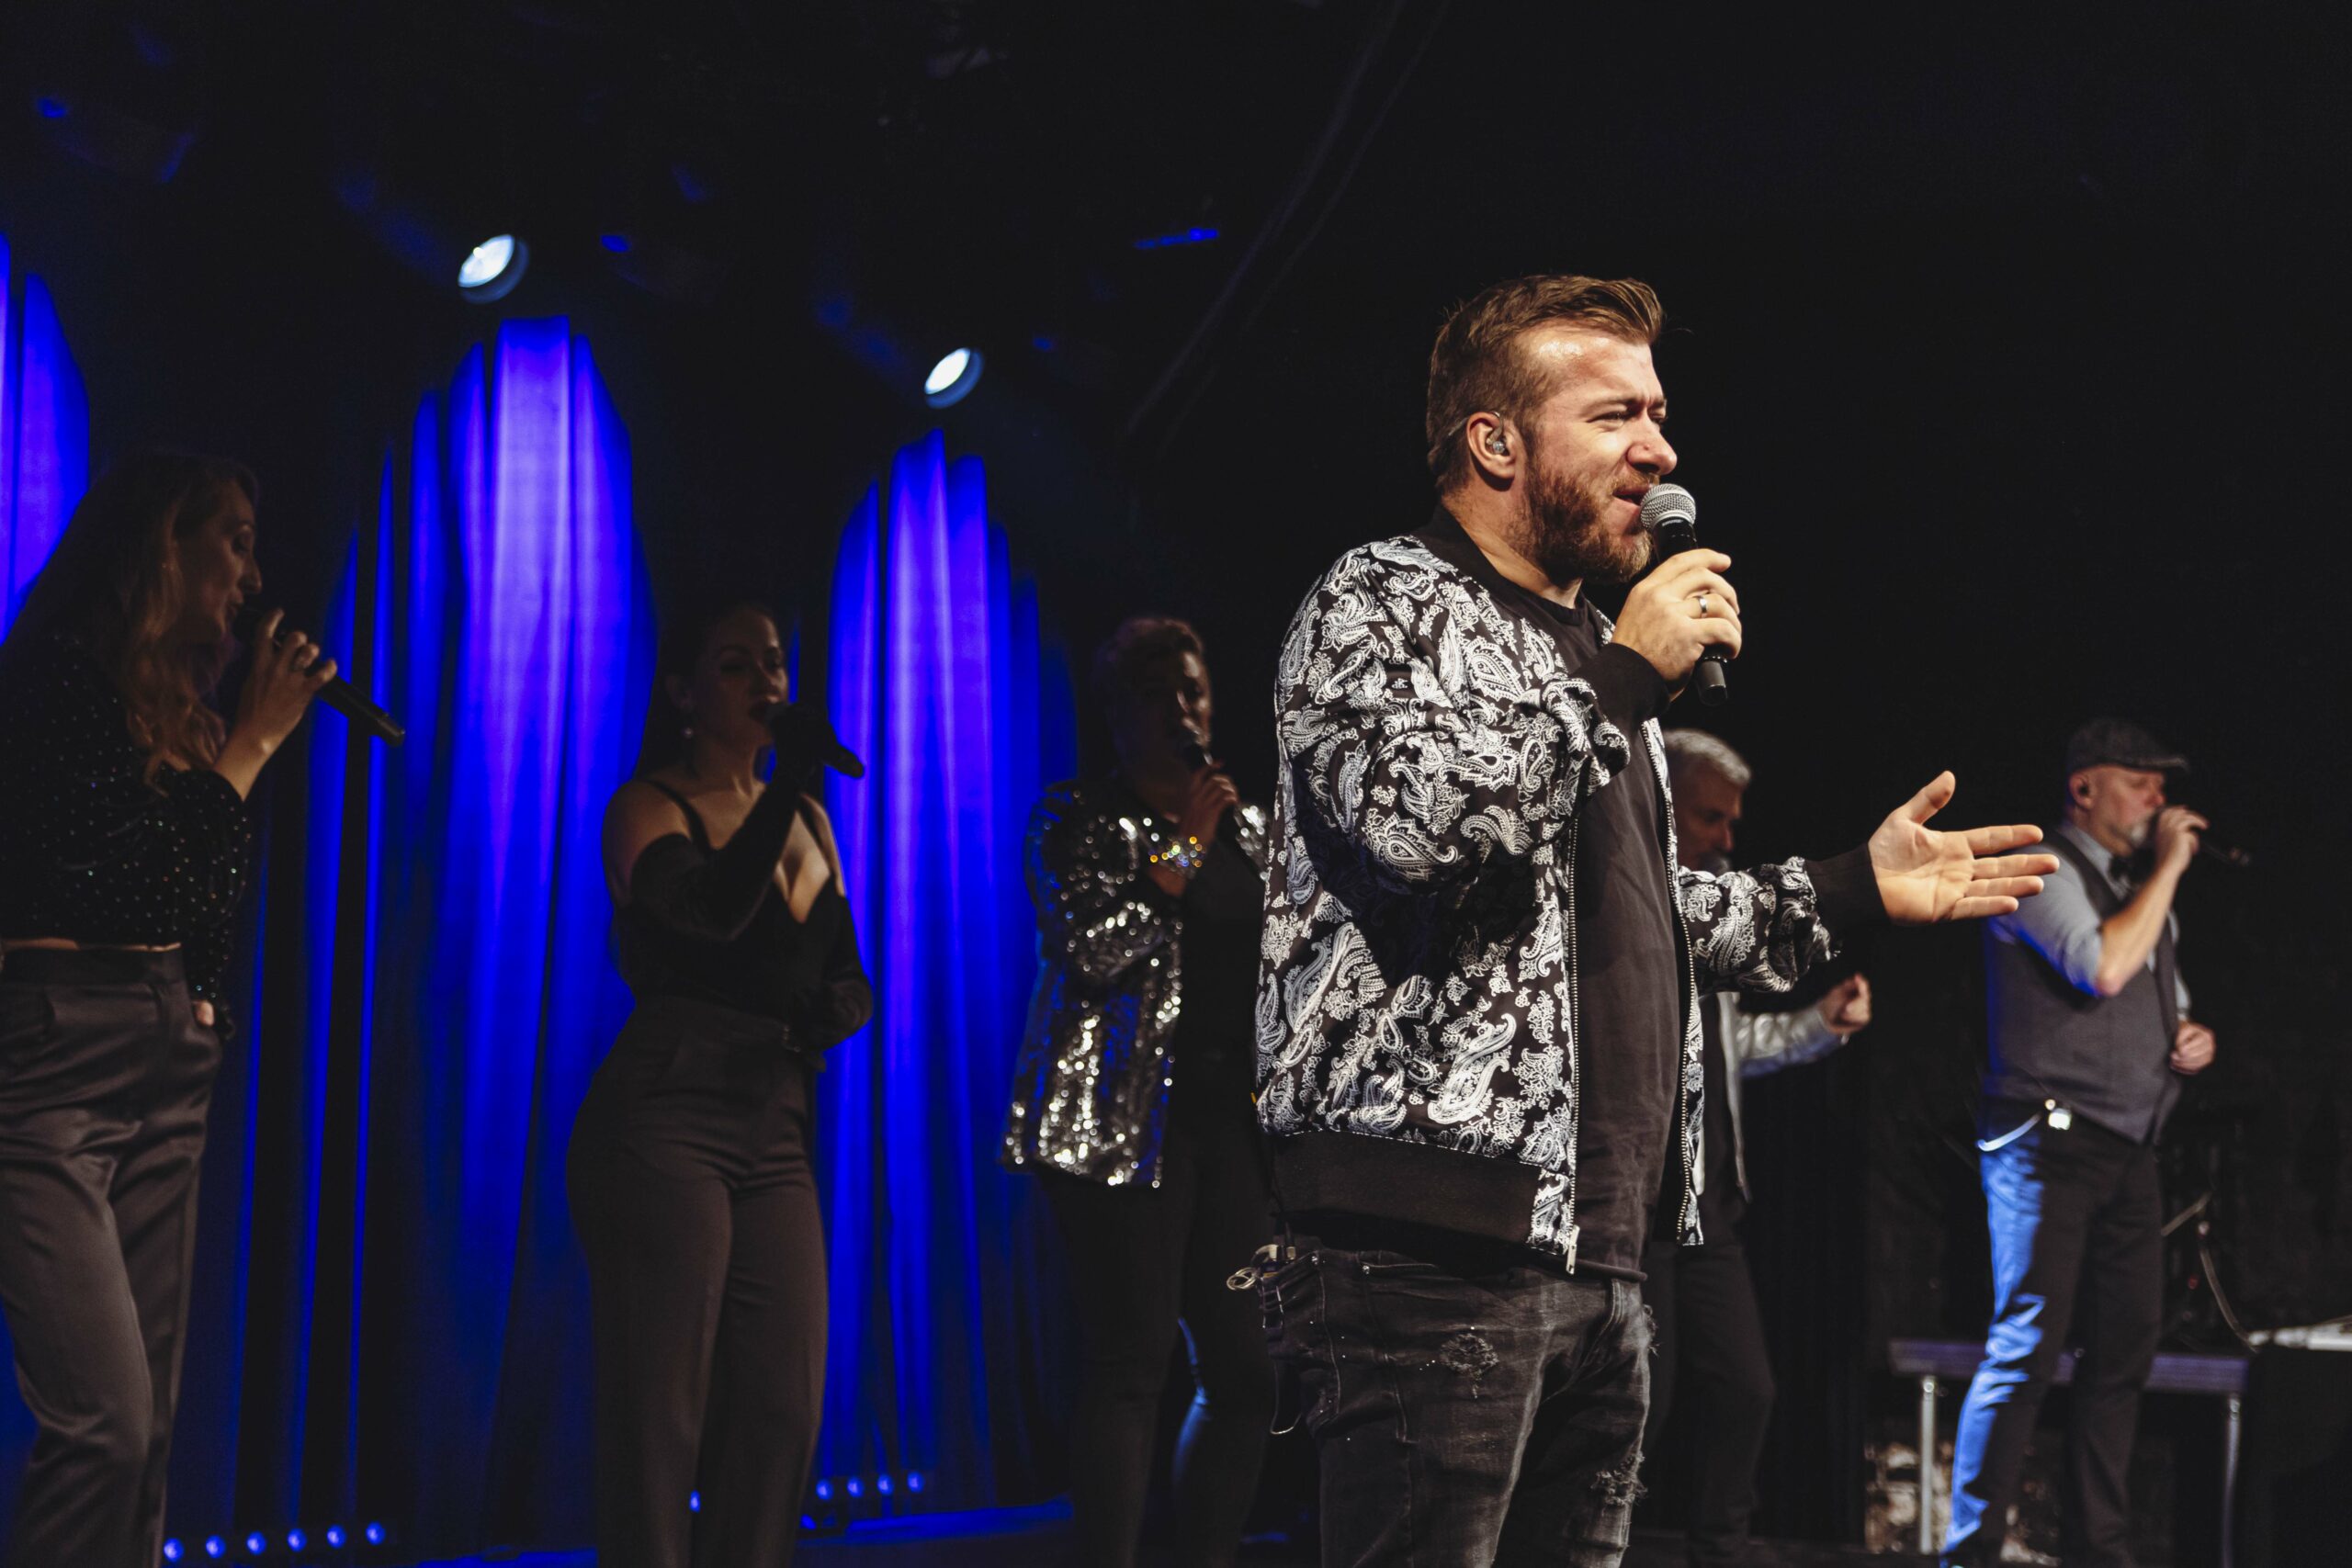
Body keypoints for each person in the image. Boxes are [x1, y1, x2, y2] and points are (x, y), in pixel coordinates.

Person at [1252, 273, 2056, 1567]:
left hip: (1602, 1250)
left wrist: (1849, 886)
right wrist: (1622, 676)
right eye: (1615, 415)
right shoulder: (1382, 600)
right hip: (1431, 1252)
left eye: (1661, 415)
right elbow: (1418, 826)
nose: (1660, 451)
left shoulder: (1591, 656)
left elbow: (1623, 913)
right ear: (1496, 442)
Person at [0, 453, 335, 1567]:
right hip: (55, 1054)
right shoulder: (53, 680)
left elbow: (197, 900)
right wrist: (251, 746)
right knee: (104, 1421)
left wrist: (200, 1010)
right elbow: (124, 884)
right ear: (163, 544)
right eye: (232, 541)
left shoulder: (174, 715)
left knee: (147, 1440)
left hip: (164, 1059)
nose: (252, 576)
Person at [567, 600, 871, 1568]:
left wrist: (838, 1009)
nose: (767, 682)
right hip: (665, 1114)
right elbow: (706, 915)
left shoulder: (810, 818)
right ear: (683, 694)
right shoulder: (646, 806)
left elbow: (845, 970)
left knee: (785, 1405)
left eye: (775, 662)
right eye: (737, 665)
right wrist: (787, 791)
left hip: (775, 1122)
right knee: (663, 1412)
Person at [1002, 615, 1275, 1568]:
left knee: (1247, 1371)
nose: (1181, 709)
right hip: (1117, 1127)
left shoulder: (1251, 827)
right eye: (1157, 693)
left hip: (1228, 1125)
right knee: (1132, 1360)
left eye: (1192, 689)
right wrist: (1184, 850)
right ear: (1117, 713)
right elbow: (1092, 948)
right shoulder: (1073, 817)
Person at [1942, 717, 2216, 1568]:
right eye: (2141, 781)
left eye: (2163, 785)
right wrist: (2171, 867)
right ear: (2085, 788)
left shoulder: (2139, 889)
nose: (2159, 798)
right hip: (2045, 1141)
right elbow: (2100, 967)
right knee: (2027, 1347)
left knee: (2123, 1356)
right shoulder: (2043, 868)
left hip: (2130, 1148)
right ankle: (1971, 1553)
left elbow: (2162, 995)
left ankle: (2099, 1550)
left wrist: (2189, 1034)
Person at [1640, 728, 1873, 1568]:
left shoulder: (1720, 922)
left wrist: (1819, 1024)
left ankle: (1720, 1549)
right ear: (1666, 803)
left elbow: (1734, 1050)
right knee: (1641, 1401)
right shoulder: (1632, 908)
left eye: (1734, 821)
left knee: (1747, 1387)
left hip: (1711, 1206)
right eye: (1712, 816)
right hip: (1640, 1206)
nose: (1728, 837)